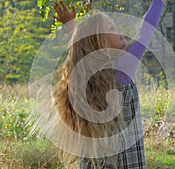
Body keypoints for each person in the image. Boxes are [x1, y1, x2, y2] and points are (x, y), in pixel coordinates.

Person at [52, 0, 166, 168]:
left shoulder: (85, 73)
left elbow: (80, 48)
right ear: (99, 43)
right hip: (125, 163)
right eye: (112, 29)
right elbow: (146, 31)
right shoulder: (123, 67)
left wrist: (70, 24)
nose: (119, 30)